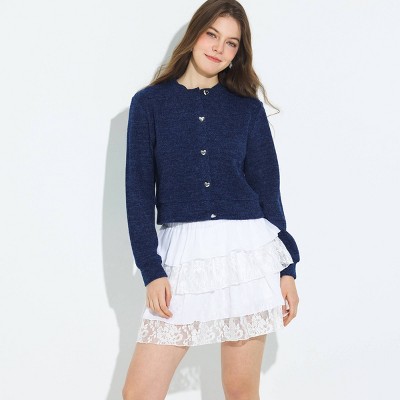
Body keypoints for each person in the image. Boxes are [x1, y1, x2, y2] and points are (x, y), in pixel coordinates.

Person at [122, 0, 300, 399]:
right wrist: (151, 270)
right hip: (183, 256)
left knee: (240, 391)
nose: (219, 48)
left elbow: (268, 193)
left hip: (247, 255)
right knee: (140, 393)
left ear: (238, 52)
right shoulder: (149, 104)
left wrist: (288, 269)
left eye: (231, 43)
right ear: (195, 34)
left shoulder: (247, 110)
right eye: (212, 35)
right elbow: (137, 194)